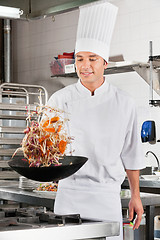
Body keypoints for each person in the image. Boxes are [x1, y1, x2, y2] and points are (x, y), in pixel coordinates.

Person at [46, 1, 145, 239]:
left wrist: (135, 195)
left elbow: (131, 153)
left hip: (106, 196)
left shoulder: (124, 102)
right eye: (80, 59)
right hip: (69, 195)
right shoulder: (59, 100)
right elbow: (47, 149)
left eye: (92, 58)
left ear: (104, 63)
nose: (85, 66)